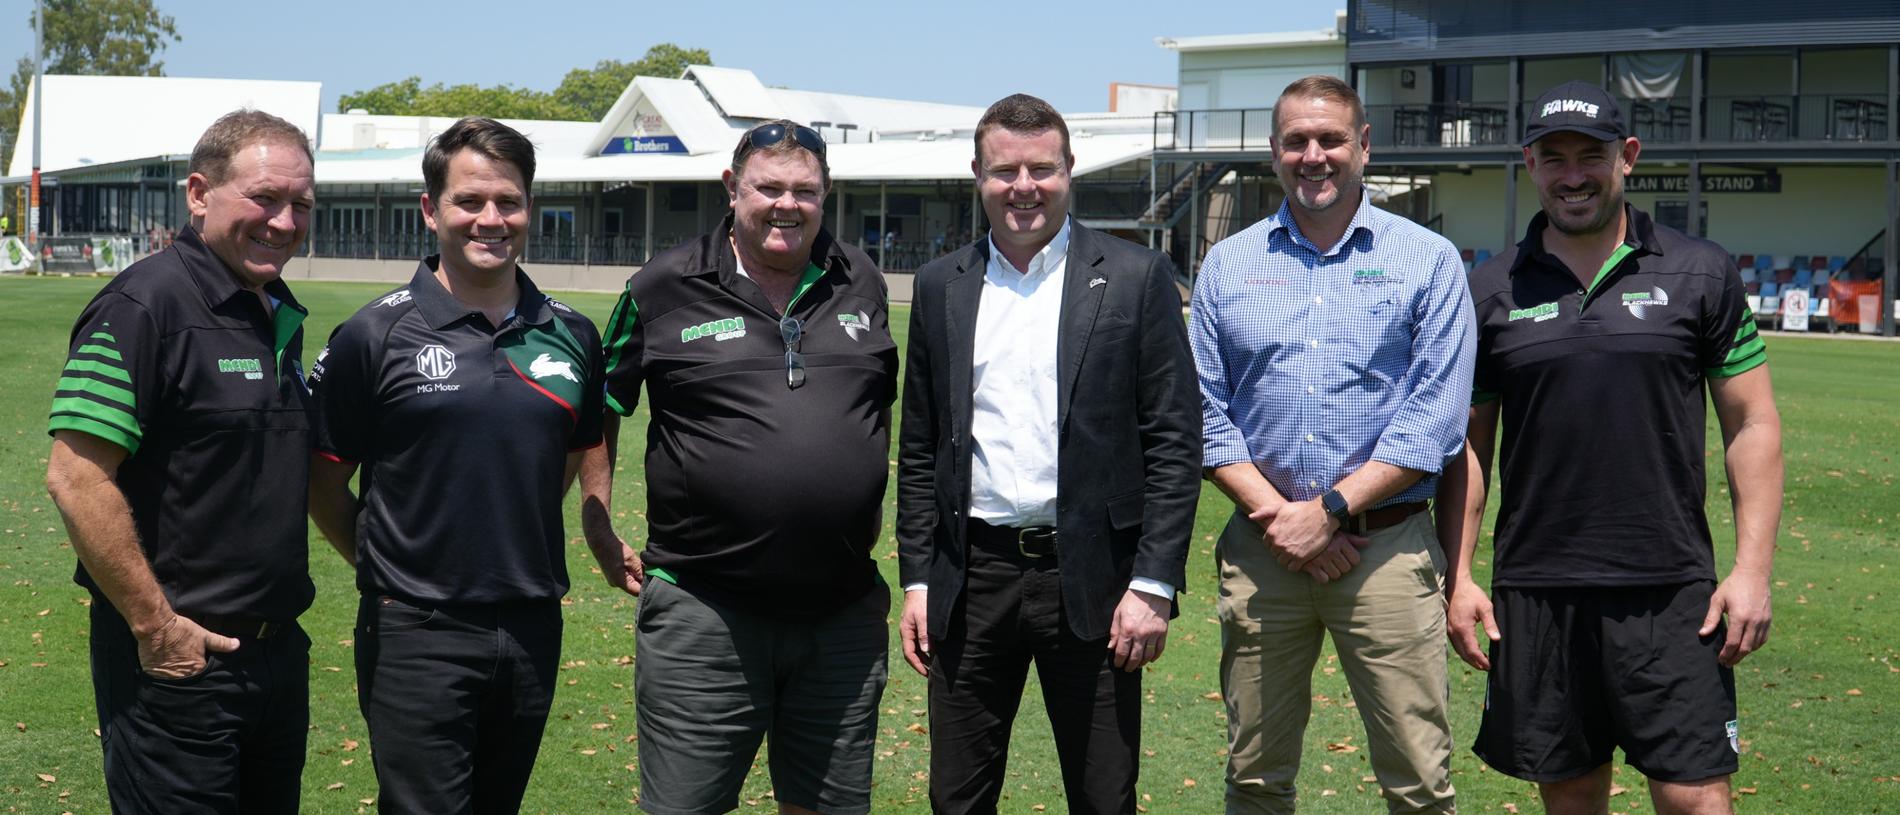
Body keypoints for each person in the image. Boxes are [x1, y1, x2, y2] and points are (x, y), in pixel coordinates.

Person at [1438, 80, 1783, 815]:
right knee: (1570, 795)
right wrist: (1460, 576)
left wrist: (1752, 571)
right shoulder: (1489, 289)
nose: (1572, 175)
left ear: (1626, 157)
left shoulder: (1700, 271)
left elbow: (1753, 423)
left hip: (1672, 587)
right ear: (1529, 162)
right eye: (1553, 157)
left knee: (1696, 796)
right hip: (1538, 588)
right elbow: (1468, 449)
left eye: (1589, 156)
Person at [895, 93, 1201, 814]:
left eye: (1042, 168)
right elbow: (918, 447)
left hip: (1095, 578)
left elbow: (1174, 439)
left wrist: (1154, 584)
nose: (1023, 186)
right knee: (957, 798)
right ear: (977, 173)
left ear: (1070, 169)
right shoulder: (942, 286)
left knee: (1103, 796)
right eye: (1005, 170)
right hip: (973, 578)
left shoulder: (1135, 276)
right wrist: (916, 577)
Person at [585, 119, 898, 815]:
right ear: (732, 188)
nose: (787, 204)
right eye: (769, 187)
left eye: (805, 190)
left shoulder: (863, 281)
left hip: (840, 614)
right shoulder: (661, 286)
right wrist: (598, 522)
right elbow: (598, 404)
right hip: (705, 609)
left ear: (826, 195)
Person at [306, 117, 609, 814]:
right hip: (417, 628)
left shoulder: (572, 332)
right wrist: (388, 562)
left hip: (533, 625)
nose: (490, 219)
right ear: (431, 209)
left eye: (508, 200)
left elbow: (567, 451)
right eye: (469, 201)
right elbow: (323, 480)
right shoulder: (373, 334)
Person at [1191, 75, 1474, 814]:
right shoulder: (1228, 265)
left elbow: (1434, 420)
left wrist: (1333, 510)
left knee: (1418, 782)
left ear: (1363, 147)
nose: (1313, 156)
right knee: (1255, 778)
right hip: (1265, 551)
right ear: (1273, 152)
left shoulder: (1430, 260)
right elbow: (1203, 414)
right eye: (1295, 141)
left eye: (1330, 140)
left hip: (1387, 549)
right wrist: (1291, 520)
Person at [44, 109, 317, 814]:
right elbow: (75, 476)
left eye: (301, 204)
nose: (284, 221)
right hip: (178, 665)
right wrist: (158, 628)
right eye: (265, 198)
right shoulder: (144, 304)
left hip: (276, 657)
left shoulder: (275, 310)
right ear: (199, 193)